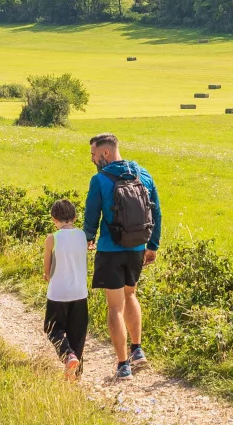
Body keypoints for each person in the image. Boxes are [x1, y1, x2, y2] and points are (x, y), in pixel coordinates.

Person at [82, 132, 160, 380]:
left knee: (115, 306)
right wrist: (153, 245)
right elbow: (156, 212)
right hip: (138, 248)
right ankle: (137, 350)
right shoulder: (143, 174)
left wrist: (88, 238)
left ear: (105, 153)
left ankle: (123, 364)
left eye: (94, 155)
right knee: (131, 295)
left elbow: (91, 215)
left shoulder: (100, 179)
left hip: (110, 250)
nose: (93, 160)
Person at [41, 198, 89, 380]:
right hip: (80, 293)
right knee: (78, 334)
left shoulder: (52, 238)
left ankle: (68, 355)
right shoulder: (82, 235)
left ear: (54, 218)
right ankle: (75, 376)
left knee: (53, 329)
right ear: (75, 217)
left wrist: (47, 275)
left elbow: (47, 267)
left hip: (58, 294)